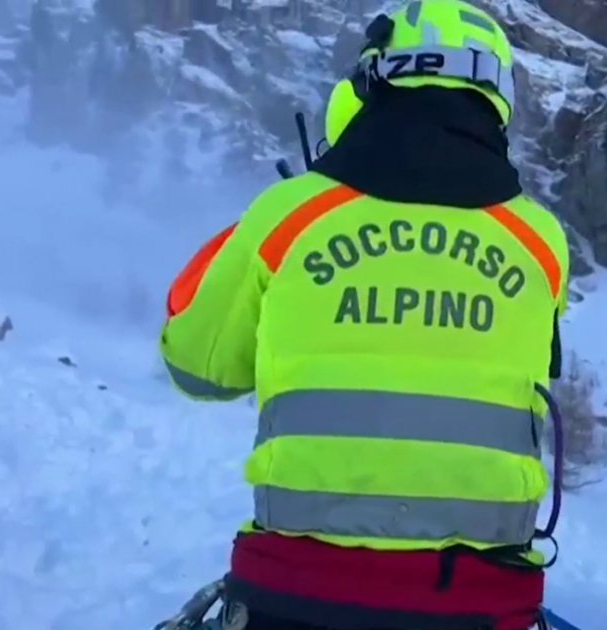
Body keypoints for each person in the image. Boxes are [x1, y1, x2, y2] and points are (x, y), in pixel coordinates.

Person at [157, 2, 571, 629]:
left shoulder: (291, 214)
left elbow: (196, 366)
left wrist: (270, 220)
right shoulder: (543, 242)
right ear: (499, 96)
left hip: (292, 596)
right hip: (483, 605)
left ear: (373, 78)